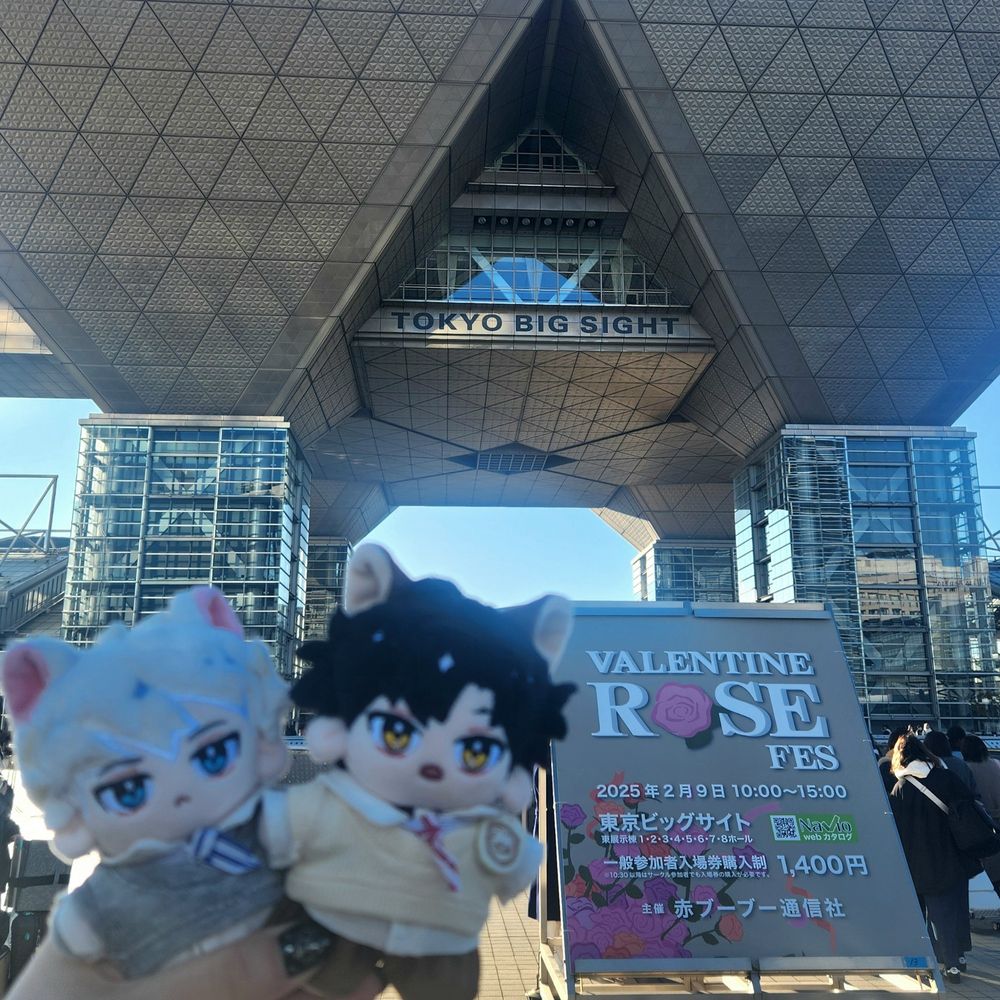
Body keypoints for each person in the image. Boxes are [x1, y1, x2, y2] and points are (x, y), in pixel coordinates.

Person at [889, 735, 979, 983]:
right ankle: (954, 961)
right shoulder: (946, 777)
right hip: (950, 855)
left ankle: (924, 961)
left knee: (922, 915)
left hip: (915, 860)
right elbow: (969, 804)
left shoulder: (900, 788)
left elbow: (895, 827)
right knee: (949, 912)